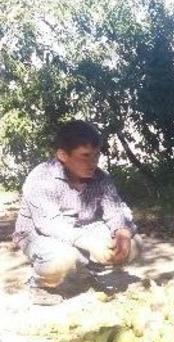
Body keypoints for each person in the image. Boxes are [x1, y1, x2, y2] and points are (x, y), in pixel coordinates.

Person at [12, 120, 142, 306]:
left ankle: (83, 273)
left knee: (134, 245)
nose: (93, 163)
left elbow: (116, 209)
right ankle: (40, 284)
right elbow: (49, 224)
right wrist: (90, 244)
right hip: (39, 234)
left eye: (96, 156)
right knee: (62, 258)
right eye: (85, 156)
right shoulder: (41, 178)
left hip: (82, 229)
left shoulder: (100, 178)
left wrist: (123, 233)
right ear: (63, 155)